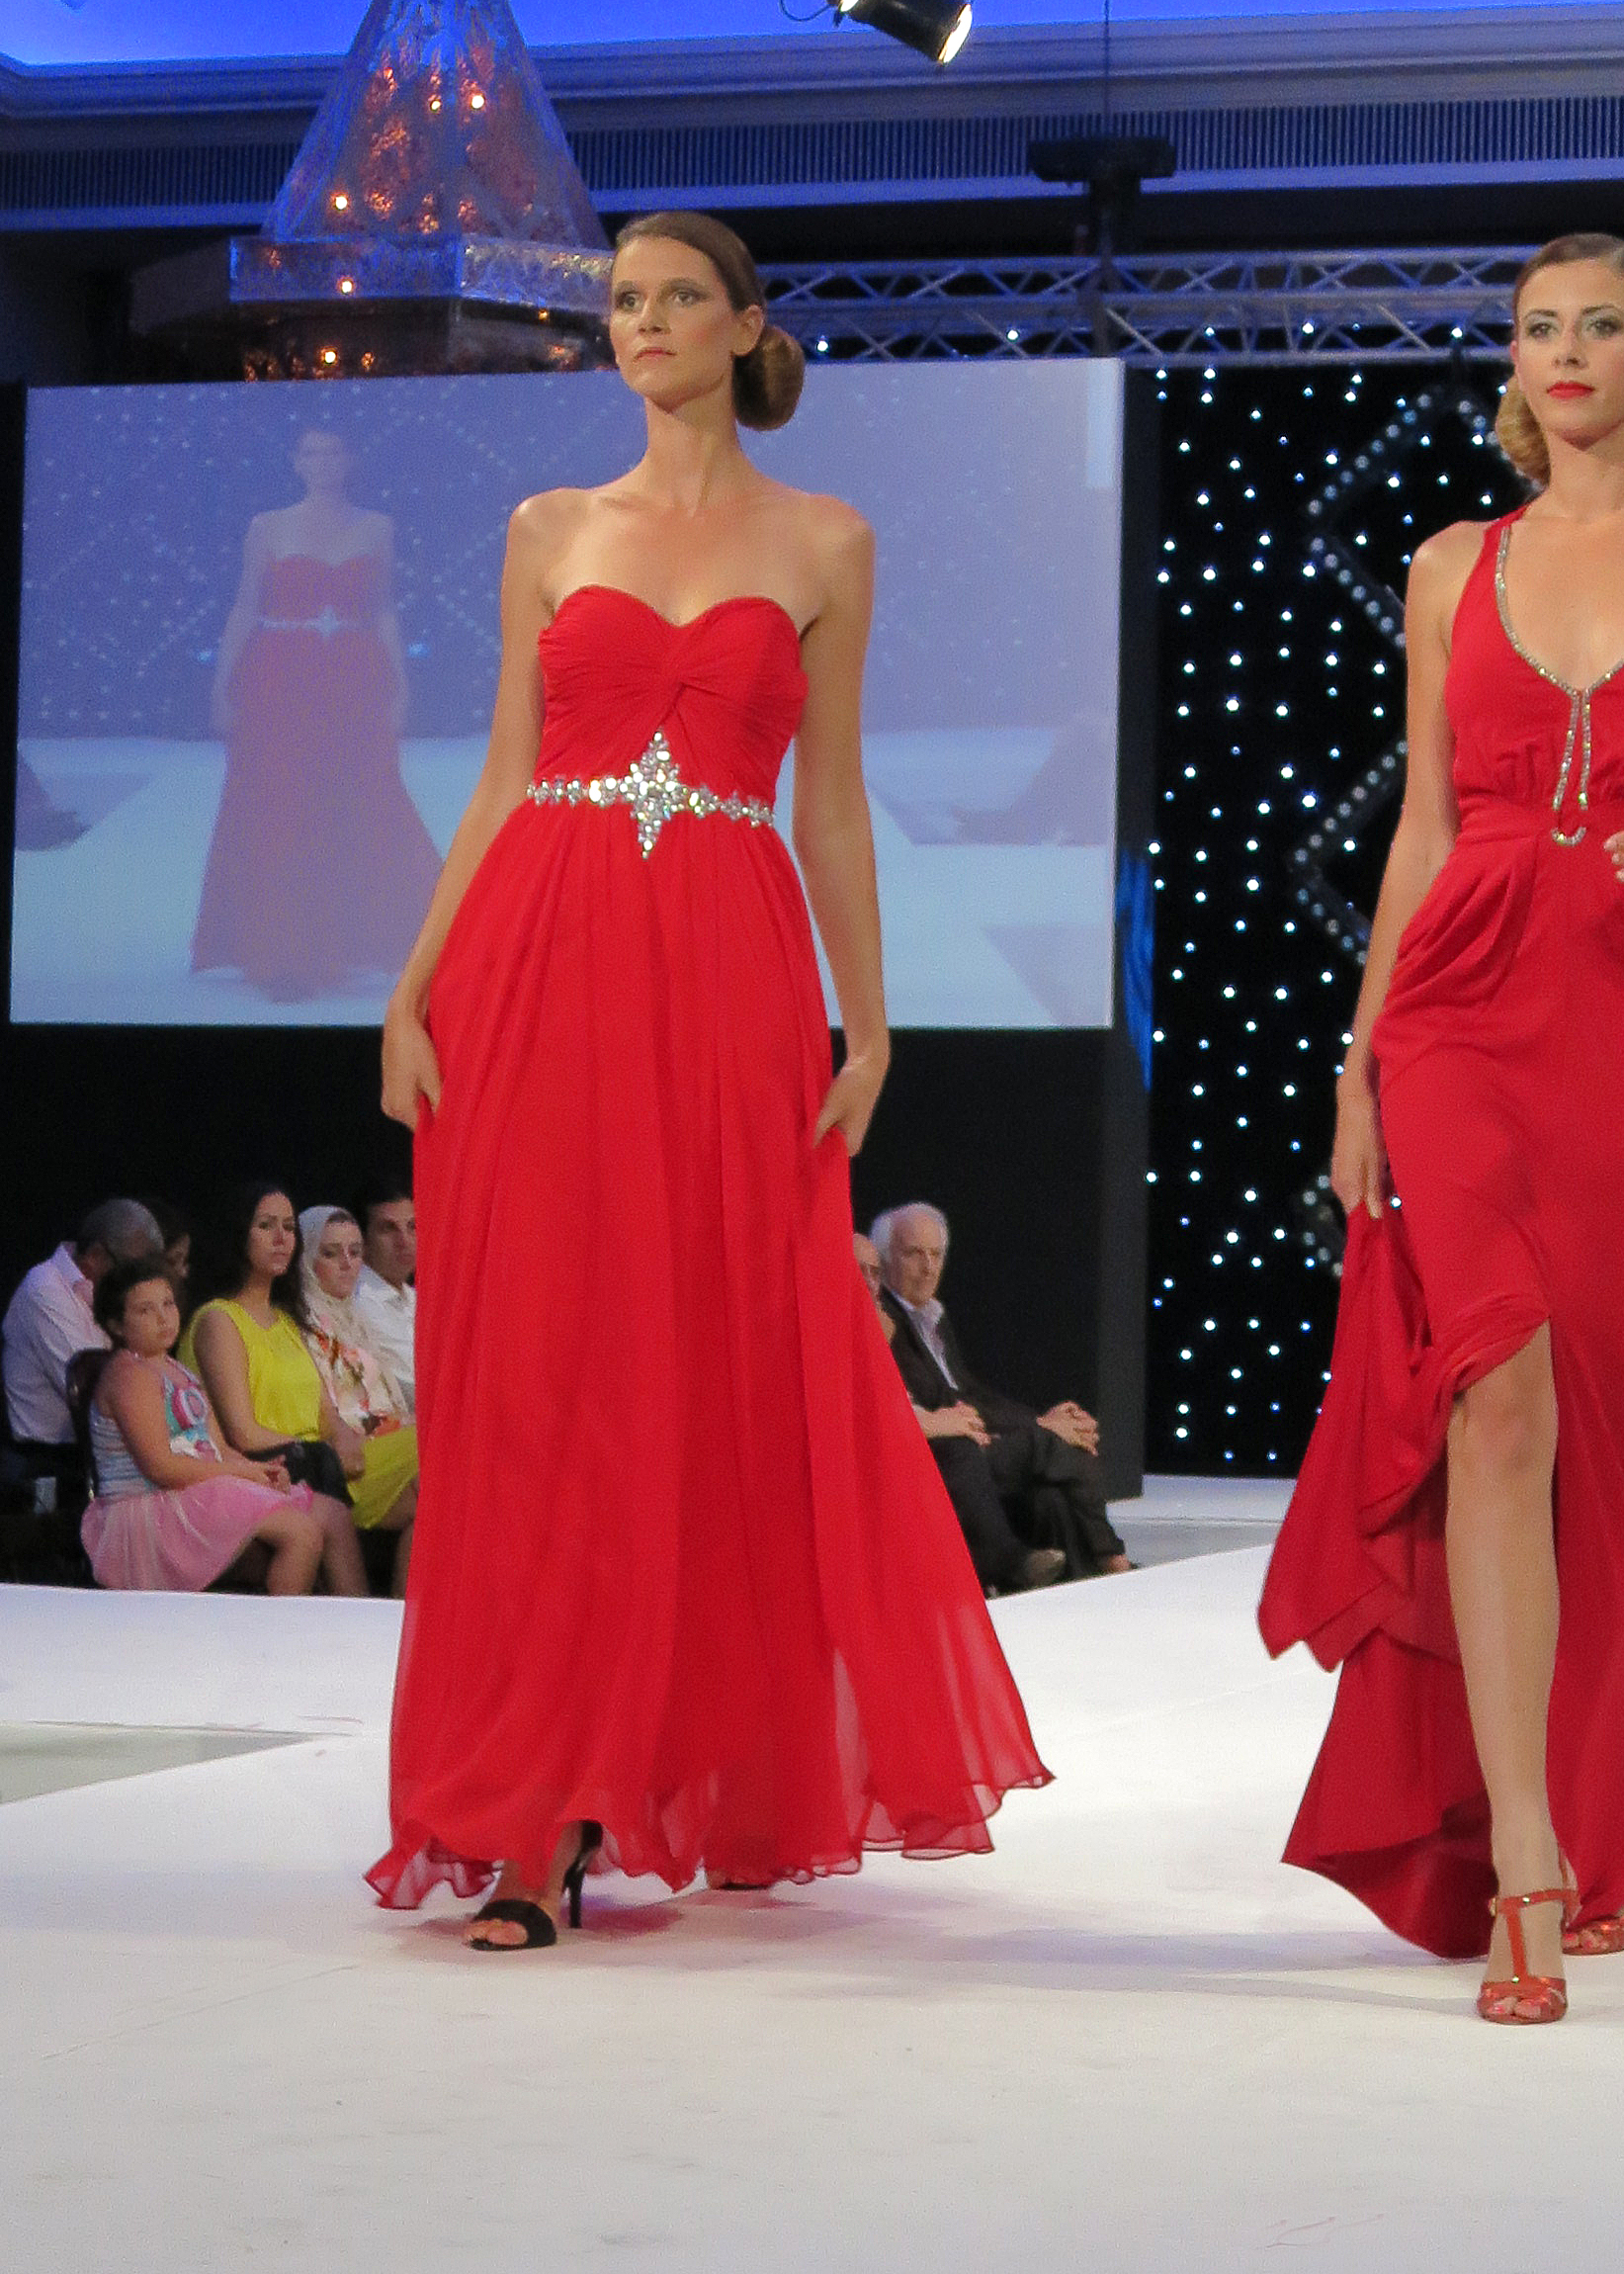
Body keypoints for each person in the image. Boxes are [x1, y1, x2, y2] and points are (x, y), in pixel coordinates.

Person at [373, 209, 1047, 1951]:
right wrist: (413, 984)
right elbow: (504, 774)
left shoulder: (824, 537)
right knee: (543, 1372)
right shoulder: (549, 528)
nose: (645, 322)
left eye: (679, 297)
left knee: (721, 1361)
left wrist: (870, 1027)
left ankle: (717, 1761)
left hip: (731, 970)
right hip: (540, 954)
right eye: (623, 300)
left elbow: (831, 800)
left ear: (746, 326)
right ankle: (539, 1808)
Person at [1258, 234, 1624, 2025]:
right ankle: (1521, 1855)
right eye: (1536, 327)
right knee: (1493, 1401)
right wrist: (1360, 1063)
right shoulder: (1453, 563)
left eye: (1599, 325)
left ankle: (1597, 1821)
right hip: (1461, 1008)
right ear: (1511, 358)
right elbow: (1424, 826)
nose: (1565, 350)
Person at [190, 427, 443, 1001]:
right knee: (282, 804)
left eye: (333, 451)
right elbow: (246, 604)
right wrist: (222, 685)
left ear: (349, 460)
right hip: (278, 679)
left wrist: (401, 685)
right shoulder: (267, 526)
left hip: (355, 677)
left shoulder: (378, 528)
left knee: (359, 795)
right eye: (311, 453)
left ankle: (364, 941)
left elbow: (383, 608)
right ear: (296, 463)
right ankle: (284, 955)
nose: (323, 462)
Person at [873, 1203, 1130, 1581]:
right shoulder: (885, 1322)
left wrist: (1040, 1421)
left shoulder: (931, 1317)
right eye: (914, 1254)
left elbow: (972, 1393)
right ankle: (1113, 1558)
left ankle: (1082, 1575)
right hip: (948, 1456)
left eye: (936, 1255)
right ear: (885, 1260)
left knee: (1049, 1497)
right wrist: (1043, 1429)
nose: (928, 1268)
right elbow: (943, 1401)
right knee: (1066, 1446)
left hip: (976, 1443)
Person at [82, 1258, 329, 1596]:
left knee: (328, 1515)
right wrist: (240, 1474)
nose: (163, 1317)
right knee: (302, 1534)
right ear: (116, 1325)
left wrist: (260, 1471)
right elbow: (160, 1467)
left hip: (196, 1489)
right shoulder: (129, 1375)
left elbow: (218, 1448)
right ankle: (278, 1628)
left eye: (168, 1304)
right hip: (151, 1506)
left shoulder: (176, 1369)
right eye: (145, 1310)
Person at [179, 1181, 369, 1597]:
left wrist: (341, 1439)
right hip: (256, 1467)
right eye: (266, 1226)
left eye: (288, 1227)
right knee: (333, 1514)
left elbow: (326, 1413)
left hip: (310, 1462)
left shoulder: (286, 1320)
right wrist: (320, 1450)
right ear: (239, 1234)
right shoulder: (219, 1319)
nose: (282, 1238)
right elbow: (242, 1433)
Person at [856, 1228, 1067, 1596]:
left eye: (874, 1273)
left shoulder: (889, 1320)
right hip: (868, 1453)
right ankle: (1008, 1563)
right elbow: (862, 1412)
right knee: (970, 1449)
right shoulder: (853, 1327)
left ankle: (1093, 1563)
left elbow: (957, 1392)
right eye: (859, 1271)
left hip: (915, 1434)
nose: (870, 1283)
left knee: (1055, 1469)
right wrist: (939, 1422)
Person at [299, 1205, 420, 1594]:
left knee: (443, 1507)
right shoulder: (300, 1324)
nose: (347, 1264)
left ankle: (406, 1621)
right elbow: (333, 1415)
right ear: (306, 1258)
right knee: (447, 1447)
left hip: (392, 1444)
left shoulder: (356, 1320)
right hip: (350, 1460)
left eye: (354, 1252)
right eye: (330, 1253)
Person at [5, 1199, 163, 1449]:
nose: (138, 1282)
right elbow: (96, 1387)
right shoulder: (44, 1288)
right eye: (131, 1270)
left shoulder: (106, 1293)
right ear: (95, 1256)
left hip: (107, 1449)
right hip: (52, 1458)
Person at [353, 1180, 418, 1409]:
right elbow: (411, 1390)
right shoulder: (359, 1301)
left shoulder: (417, 1299)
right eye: (388, 1229)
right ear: (363, 1242)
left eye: (412, 1226)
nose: (404, 1241)